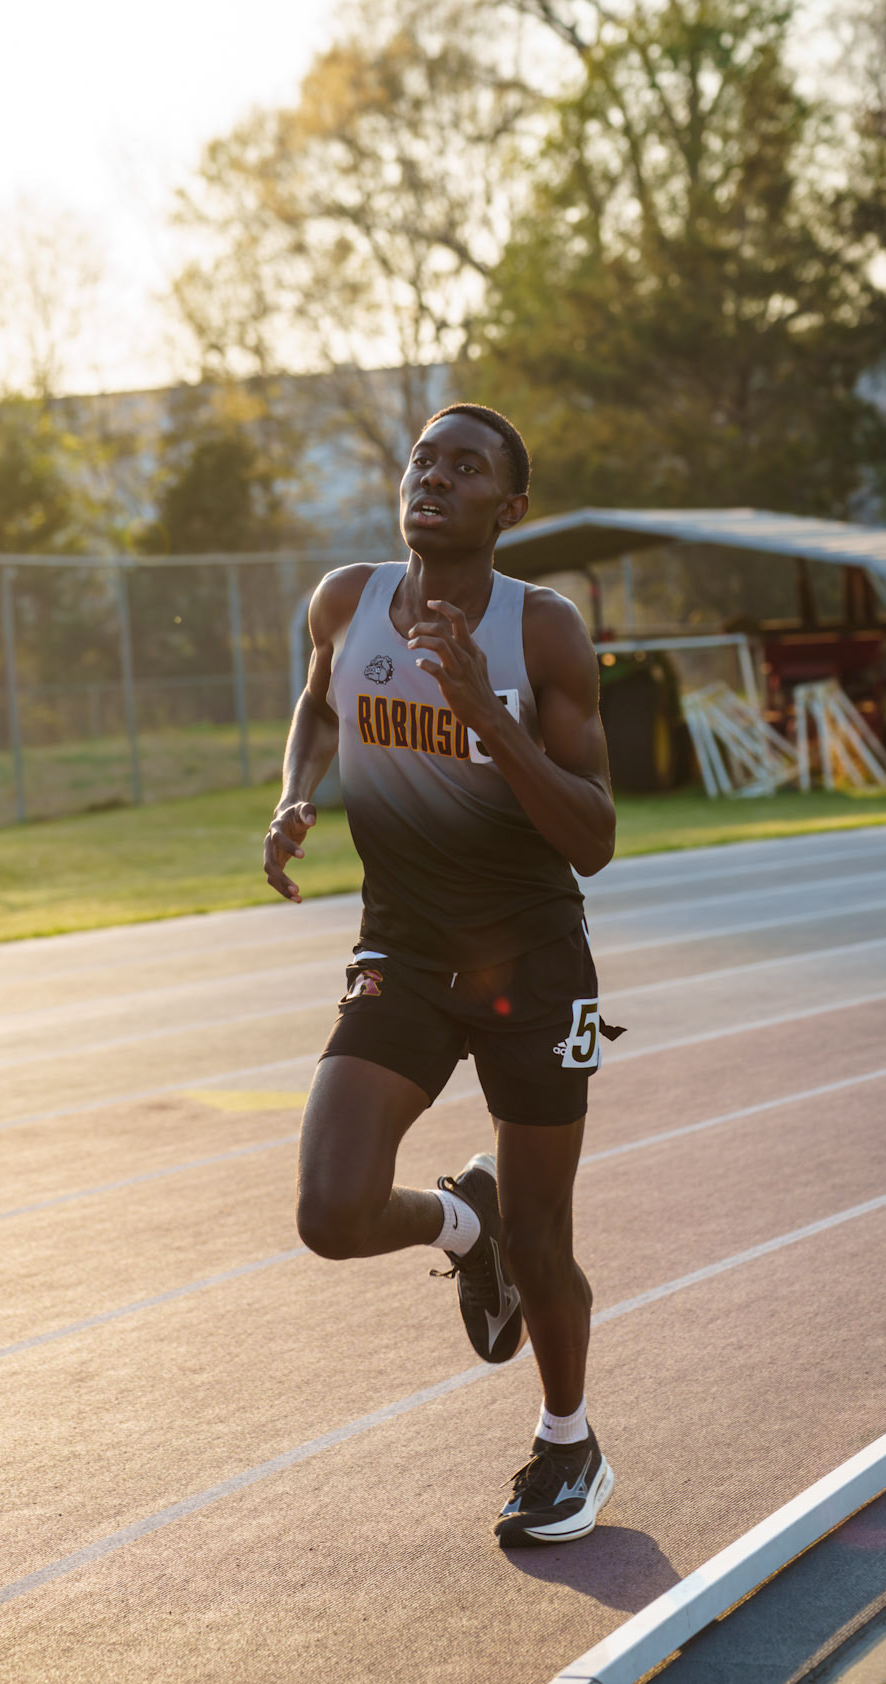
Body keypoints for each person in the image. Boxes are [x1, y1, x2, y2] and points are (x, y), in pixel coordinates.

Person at [262, 404, 619, 1548]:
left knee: (547, 1237)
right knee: (331, 1210)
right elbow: (318, 701)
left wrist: (485, 717)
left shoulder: (543, 632)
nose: (433, 477)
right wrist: (297, 790)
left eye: (465, 467)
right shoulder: (345, 601)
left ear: (508, 508)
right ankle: (467, 1222)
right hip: (405, 948)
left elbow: (595, 836)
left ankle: (569, 1440)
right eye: (424, 459)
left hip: (533, 959)